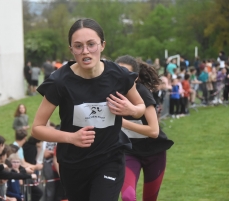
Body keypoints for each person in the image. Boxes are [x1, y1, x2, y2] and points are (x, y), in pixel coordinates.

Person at [32, 18, 145, 201]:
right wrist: (71, 137)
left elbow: (141, 109)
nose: (85, 51)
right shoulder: (60, 82)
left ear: (102, 45)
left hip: (109, 159)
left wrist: (130, 109)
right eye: (78, 46)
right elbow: (37, 128)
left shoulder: (119, 76)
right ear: (71, 50)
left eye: (91, 44)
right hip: (74, 165)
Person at [114, 56, 173, 201]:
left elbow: (154, 131)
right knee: (127, 197)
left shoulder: (142, 93)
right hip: (129, 152)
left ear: (135, 77)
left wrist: (123, 123)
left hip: (154, 153)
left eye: (126, 73)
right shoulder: (110, 93)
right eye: (118, 72)